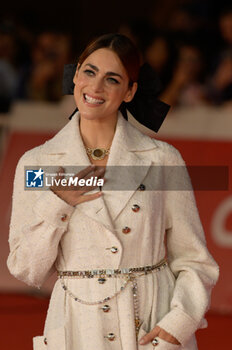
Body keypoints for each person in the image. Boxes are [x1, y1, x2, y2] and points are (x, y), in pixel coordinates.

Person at [7, 33, 219, 350]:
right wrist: (57, 202)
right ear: (75, 75)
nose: (95, 87)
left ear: (130, 91)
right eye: (89, 72)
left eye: (112, 79)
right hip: (78, 329)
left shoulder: (162, 159)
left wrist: (177, 325)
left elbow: (195, 261)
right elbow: (26, 269)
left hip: (149, 325)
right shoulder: (38, 164)